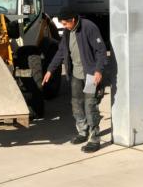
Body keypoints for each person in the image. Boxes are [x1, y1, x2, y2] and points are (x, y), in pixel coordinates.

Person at [42, 9, 108, 153]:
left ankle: (94, 138)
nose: (64, 26)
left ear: (72, 20)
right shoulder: (67, 32)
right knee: (76, 104)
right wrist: (50, 70)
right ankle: (83, 132)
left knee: (90, 105)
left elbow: (101, 50)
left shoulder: (89, 27)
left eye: (65, 23)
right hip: (76, 75)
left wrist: (98, 70)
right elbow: (61, 52)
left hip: (91, 75)